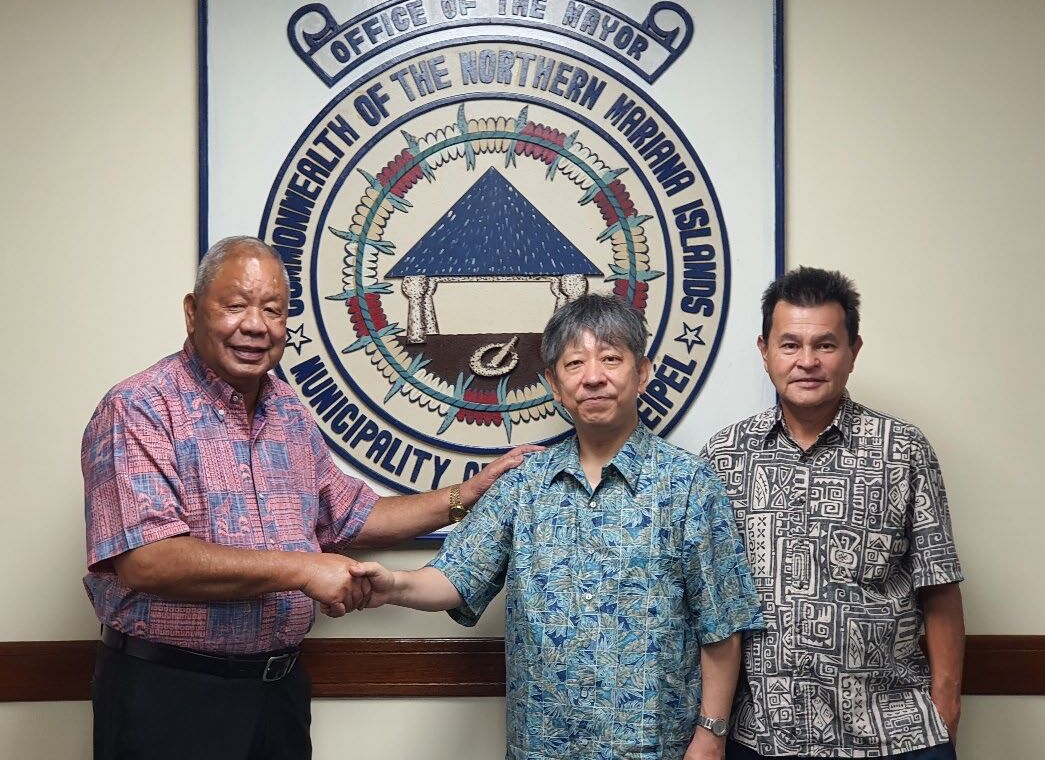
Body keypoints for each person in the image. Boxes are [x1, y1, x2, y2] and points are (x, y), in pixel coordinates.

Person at [82, 235, 538, 760]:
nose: (255, 325)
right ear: (192, 312)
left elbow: (354, 515)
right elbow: (148, 560)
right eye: (235, 306)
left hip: (278, 694)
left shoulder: (289, 413)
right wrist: (303, 569)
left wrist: (466, 495)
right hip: (169, 694)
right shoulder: (138, 406)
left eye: (273, 310)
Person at [350, 293, 765, 760]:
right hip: (543, 746)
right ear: (553, 383)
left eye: (611, 359)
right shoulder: (524, 484)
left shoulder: (689, 485)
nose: (593, 377)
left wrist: (711, 735)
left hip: (654, 747)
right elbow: (454, 578)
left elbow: (722, 622)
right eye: (574, 364)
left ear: (642, 372)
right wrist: (392, 585)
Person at [701, 267, 965, 760]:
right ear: (764, 352)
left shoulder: (903, 450)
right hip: (763, 737)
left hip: (894, 733)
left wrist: (946, 702)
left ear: (853, 352)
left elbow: (940, 585)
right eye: (789, 345)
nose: (807, 361)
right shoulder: (724, 456)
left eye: (825, 344)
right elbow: (712, 602)